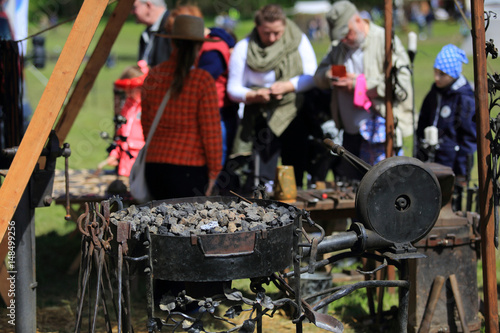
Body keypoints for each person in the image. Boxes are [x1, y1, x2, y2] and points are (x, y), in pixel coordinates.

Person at [313, 0, 413, 180]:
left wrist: (359, 84)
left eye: (347, 33)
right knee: (353, 189)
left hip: (380, 133)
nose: (345, 39)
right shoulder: (338, 48)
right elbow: (318, 77)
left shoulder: (384, 40)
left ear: (358, 20)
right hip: (350, 133)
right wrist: (331, 75)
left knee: (382, 186)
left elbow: (401, 84)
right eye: (341, 36)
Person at [227, 4, 317, 191]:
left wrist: (288, 86)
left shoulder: (298, 40)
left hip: (293, 112)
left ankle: (296, 208)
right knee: (262, 176)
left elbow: (311, 75)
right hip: (261, 116)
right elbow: (233, 88)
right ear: (257, 28)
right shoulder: (244, 47)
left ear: (284, 26)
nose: (272, 38)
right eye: (266, 33)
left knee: (295, 172)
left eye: (277, 33)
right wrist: (253, 95)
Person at [141, 15, 223, 199]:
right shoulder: (202, 81)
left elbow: (146, 123)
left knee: (156, 225)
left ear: (172, 43)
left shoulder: (154, 75)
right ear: (199, 46)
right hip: (190, 168)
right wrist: (214, 172)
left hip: (154, 164)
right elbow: (212, 134)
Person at [416, 44, 476, 211]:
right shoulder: (433, 94)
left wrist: (462, 172)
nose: (436, 77)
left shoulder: (465, 99)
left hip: (451, 165)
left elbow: (469, 138)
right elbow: (422, 123)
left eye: (442, 74)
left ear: (453, 74)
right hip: (430, 160)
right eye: (435, 71)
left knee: (449, 206)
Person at [105, 61, 148, 177]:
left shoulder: (148, 107)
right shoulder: (127, 106)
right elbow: (121, 134)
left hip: (140, 164)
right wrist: (114, 154)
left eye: (132, 88)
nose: (128, 92)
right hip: (125, 163)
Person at [132, 0, 171, 67]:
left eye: (134, 7)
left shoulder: (171, 28)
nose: (132, 12)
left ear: (148, 6)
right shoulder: (148, 31)